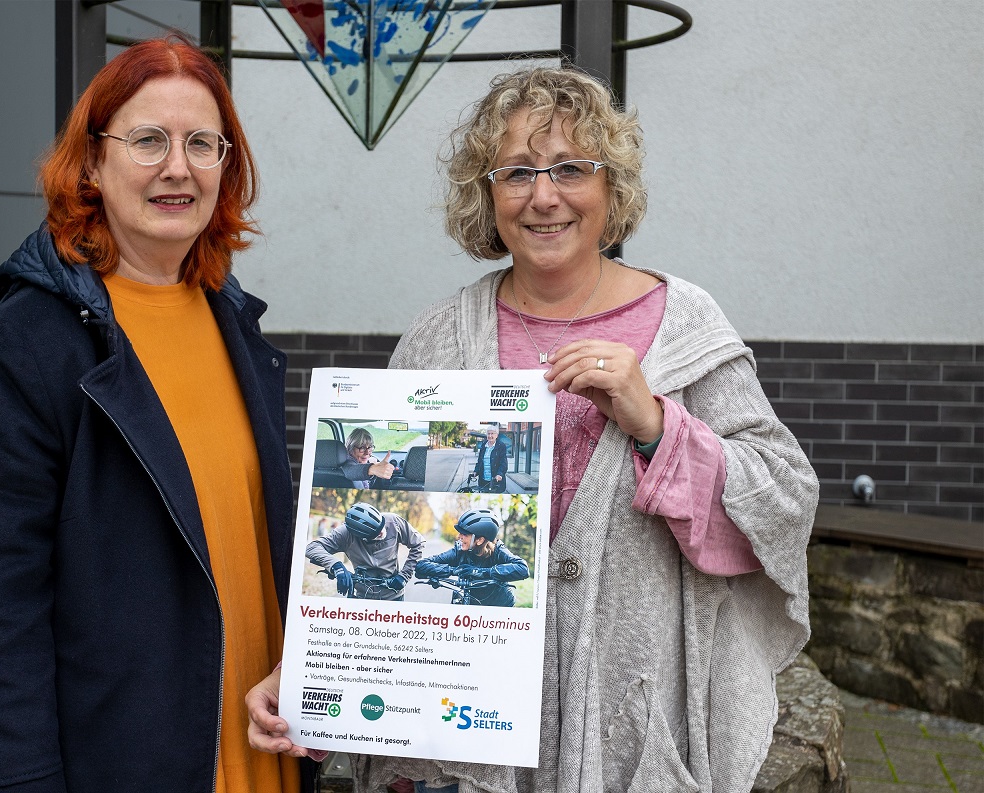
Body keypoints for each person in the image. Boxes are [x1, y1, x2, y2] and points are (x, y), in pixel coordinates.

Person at [249, 65, 817, 792]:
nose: (544, 196)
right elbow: (376, 524)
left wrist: (658, 428)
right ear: (486, 195)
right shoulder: (439, 338)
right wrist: (306, 668)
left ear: (611, 188)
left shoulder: (684, 325)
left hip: (626, 740)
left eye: (570, 169)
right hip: (452, 754)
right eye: (517, 172)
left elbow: (784, 499)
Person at [0, 36, 302, 793]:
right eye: (147, 140)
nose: (178, 167)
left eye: (203, 143)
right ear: (91, 166)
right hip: (124, 763)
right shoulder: (19, 351)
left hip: (263, 753)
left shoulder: (238, 328)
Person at [306, 502, 425, 601]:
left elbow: (418, 543)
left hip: (394, 595)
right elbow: (312, 547)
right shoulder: (345, 534)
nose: (382, 532)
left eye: (382, 527)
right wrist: (336, 567)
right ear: (361, 537)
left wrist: (404, 576)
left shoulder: (393, 521)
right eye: (376, 535)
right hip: (363, 597)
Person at [415, 508, 529, 607]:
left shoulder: (498, 550)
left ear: (480, 540)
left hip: (500, 605)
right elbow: (422, 565)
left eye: (464, 534)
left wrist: (483, 572)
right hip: (471, 602)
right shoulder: (459, 551)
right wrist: (453, 570)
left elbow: (522, 568)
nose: (459, 537)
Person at [473, 425, 508, 492]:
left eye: (492, 433)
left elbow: (503, 463)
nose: (490, 435)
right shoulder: (484, 445)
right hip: (483, 479)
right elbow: (480, 461)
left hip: (495, 479)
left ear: (496, 435)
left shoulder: (501, 446)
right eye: (488, 433)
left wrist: (499, 474)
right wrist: (476, 471)